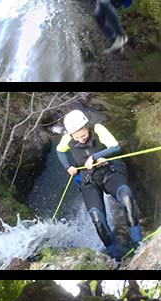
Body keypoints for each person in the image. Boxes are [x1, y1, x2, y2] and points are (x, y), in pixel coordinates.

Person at [57, 110, 142, 262]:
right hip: (89, 179)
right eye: (76, 137)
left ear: (87, 127)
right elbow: (60, 151)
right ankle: (115, 257)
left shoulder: (98, 129)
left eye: (82, 135)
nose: (81, 139)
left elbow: (115, 147)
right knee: (97, 218)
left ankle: (138, 243)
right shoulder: (66, 139)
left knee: (126, 197)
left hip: (110, 170)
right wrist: (67, 167)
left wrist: (96, 156)